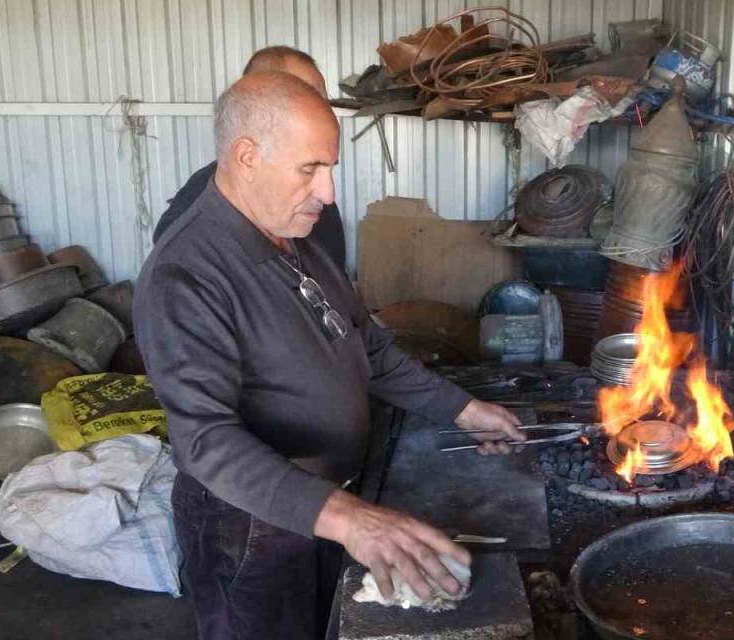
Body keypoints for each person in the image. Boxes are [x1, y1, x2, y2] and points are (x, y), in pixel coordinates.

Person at [134, 72, 525, 640]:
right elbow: (205, 440)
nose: (329, 192)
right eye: (310, 168)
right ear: (247, 157)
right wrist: (352, 520)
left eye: (330, 167)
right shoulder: (185, 275)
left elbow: (366, 345)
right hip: (250, 529)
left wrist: (462, 410)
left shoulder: (295, 238)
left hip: (324, 507)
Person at [154, 46, 347, 271]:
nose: (327, 195)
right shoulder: (191, 230)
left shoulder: (319, 203)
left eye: (322, 100)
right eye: (298, 94)